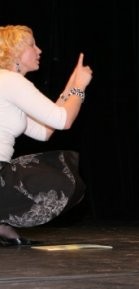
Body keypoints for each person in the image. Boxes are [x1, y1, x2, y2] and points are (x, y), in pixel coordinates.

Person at [0, 25, 91, 246]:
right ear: (15, 51)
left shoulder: (6, 82)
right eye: (32, 45)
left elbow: (44, 131)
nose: (39, 50)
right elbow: (64, 120)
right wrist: (79, 87)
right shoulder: (12, 81)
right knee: (63, 179)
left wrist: (72, 83)